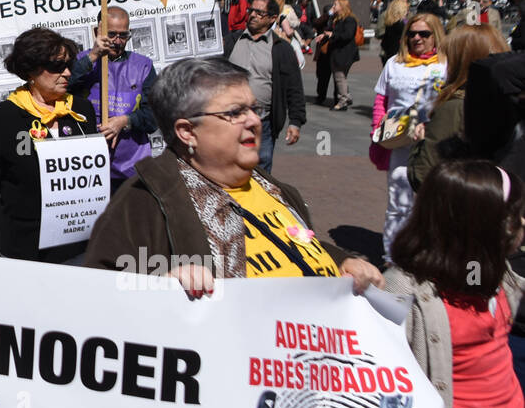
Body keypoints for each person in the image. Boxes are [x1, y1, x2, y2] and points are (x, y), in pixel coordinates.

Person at [85, 57, 381, 293]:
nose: (254, 121)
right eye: (235, 112)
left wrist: (343, 262)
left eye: (254, 109)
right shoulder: (145, 199)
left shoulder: (277, 190)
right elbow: (99, 291)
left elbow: (297, 246)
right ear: (187, 132)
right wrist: (162, 286)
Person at [384, 161, 525, 408]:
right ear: (480, 225)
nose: (522, 222)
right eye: (513, 217)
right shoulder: (403, 289)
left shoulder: (498, 274)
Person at [0, 26, 98, 263]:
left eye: (69, 65)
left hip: (81, 247)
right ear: (31, 70)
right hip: (26, 251)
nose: (67, 73)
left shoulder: (82, 110)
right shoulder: (3, 119)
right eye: (57, 67)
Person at [371, 12, 447, 262]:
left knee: (431, 201)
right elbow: (381, 100)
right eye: (412, 33)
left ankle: (428, 256)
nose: (417, 38)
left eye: (423, 34)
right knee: (398, 201)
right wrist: (377, 134)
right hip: (399, 143)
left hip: (433, 145)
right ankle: (393, 257)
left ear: (435, 35)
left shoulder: (446, 65)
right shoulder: (394, 63)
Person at [408, 24, 509, 192]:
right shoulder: (509, 100)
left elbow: (423, 175)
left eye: (449, 58)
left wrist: (421, 142)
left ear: (461, 62)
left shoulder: (456, 107)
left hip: (466, 208)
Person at [69, 5, 158, 190]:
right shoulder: (81, 61)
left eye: (123, 35)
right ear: (97, 32)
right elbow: (60, 90)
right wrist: (92, 57)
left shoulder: (143, 66)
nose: (117, 41)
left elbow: (153, 118)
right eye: (111, 35)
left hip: (131, 167)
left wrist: (125, 121)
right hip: (88, 166)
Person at [222, 0, 305, 172]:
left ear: (272, 18)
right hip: (230, 121)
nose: (252, 15)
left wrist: (295, 122)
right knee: (228, 168)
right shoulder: (231, 41)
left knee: (262, 170)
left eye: (259, 12)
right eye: (251, 10)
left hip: (263, 123)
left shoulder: (281, 48)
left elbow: (294, 88)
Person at [323, 0, 359, 111]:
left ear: (342, 6)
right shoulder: (337, 19)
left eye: (336, 5)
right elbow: (326, 27)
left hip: (344, 52)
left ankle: (343, 99)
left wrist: (333, 34)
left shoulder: (349, 20)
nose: (333, 7)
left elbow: (347, 35)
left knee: (340, 76)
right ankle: (346, 96)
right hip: (338, 52)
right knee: (340, 76)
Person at [380, 0, 409, 64]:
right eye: (406, 9)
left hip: (390, 56)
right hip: (400, 57)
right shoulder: (402, 25)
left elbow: (384, 43)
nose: (407, 11)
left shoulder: (390, 24)